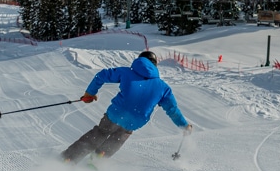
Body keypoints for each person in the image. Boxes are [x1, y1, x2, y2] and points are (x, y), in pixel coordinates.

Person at [61, 50, 192, 163]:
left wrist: (90, 93)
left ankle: (69, 158)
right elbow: (172, 110)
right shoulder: (163, 87)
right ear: (155, 65)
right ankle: (96, 160)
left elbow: (101, 75)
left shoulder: (127, 72)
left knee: (100, 133)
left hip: (116, 113)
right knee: (118, 138)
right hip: (135, 120)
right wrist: (184, 125)